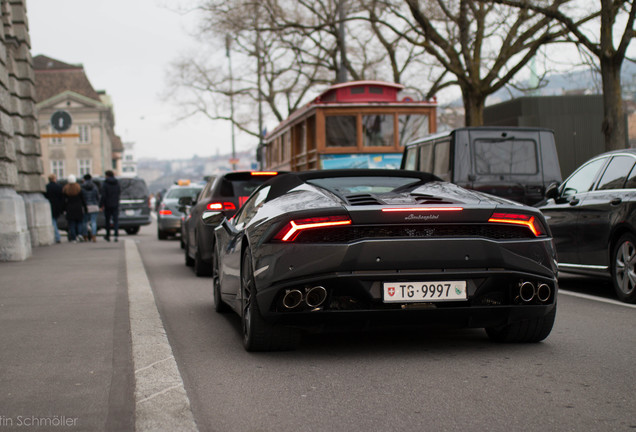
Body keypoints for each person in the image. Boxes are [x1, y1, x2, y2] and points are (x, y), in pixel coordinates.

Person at [62, 174, 86, 243]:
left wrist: (64, 209)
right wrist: (85, 207)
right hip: (78, 207)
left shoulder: (66, 188)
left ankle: (73, 238)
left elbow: (64, 200)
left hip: (70, 208)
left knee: (72, 224)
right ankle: (80, 234)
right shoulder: (78, 188)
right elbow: (83, 199)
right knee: (79, 222)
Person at [100, 170, 121, 242]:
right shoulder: (117, 183)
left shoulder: (105, 184)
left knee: (107, 221)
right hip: (115, 204)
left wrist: (101, 205)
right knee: (116, 220)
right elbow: (119, 192)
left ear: (107, 175)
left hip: (107, 204)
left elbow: (103, 195)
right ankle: (116, 235)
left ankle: (108, 235)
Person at [45, 173, 64, 243]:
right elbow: (62, 198)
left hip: (50, 206)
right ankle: (57, 236)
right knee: (54, 221)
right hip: (57, 206)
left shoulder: (47, 187)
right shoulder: (59, 187)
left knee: (53, 221)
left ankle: (56, 236)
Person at [81, 173, 100, 242]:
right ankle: (94, 236)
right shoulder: (95, 186)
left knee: (84, 222)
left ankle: (85, 236)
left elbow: (81, 197)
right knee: (93, 221)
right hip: (94, 205)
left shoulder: (82, 187)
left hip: (85, 206)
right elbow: (97, 196)